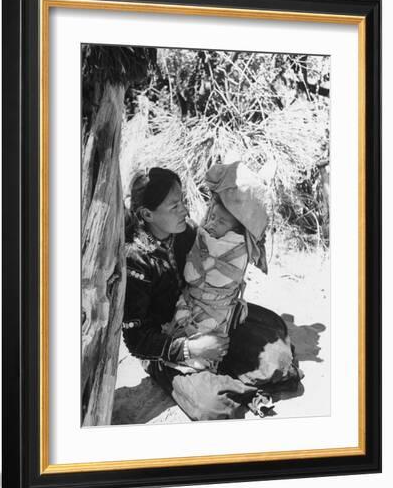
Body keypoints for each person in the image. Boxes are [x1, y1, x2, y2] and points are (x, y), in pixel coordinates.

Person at [122, 166, 302, 421]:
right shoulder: (135, 261)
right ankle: (243, 389)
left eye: (182, 201)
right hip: (168, 342)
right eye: (174, 207)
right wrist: (191, 349)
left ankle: (230, 370)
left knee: (277, 354)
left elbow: (216, 273)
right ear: (147, 214)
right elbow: (135, 339)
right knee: (214, 407)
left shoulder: (185, 232)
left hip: (209, 315)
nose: (184, 210)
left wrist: (231, 304)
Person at [165, 162, 269, 374]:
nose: (212, 224)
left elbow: (191, 275)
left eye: (220, 221)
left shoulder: (220, 244)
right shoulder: (244, 246)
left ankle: (196, 359)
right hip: (217, 311)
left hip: (207, 311)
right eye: (212, 217)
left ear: (236, 229)